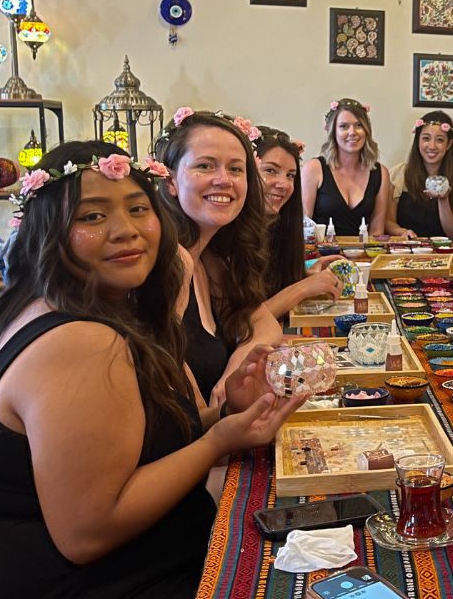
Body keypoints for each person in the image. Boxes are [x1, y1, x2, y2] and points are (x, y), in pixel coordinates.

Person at [0, 141, 305, 599]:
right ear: (47, 229)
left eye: (137, 209)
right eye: (92, 216)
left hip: (83, 591)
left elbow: (129, 451)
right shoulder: (80, 342)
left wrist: (221, 418)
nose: (126, 230)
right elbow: (88, 529)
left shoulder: (61, 305)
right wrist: (217, 444)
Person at [154, 108, 282, 405]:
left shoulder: (210, 257)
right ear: (171, 180)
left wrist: (232, 374)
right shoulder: (171, 260)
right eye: (205, 166)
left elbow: (265, 325)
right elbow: (179, 395)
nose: (224, 180)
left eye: (235, 169)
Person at [254, 127, 344, 320]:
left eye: (291, 175)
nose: (284, 184)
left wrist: (306, 274)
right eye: (270, 170)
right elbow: (244, 324)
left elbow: (269, 290)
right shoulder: (226, 235)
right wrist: (302, 287)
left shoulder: (275, 226)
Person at [301, 98, 389, 237]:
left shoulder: (380, 173)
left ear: (366, 130)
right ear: (332, 131)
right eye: (344, 126)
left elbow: (377, 230)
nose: (352, 132)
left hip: (362, 255)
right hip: (320, 254)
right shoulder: (314, 169)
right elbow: (304, 225)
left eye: (359, 125)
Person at [386, 111, 453, 239]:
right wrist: (401, 232)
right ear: (417, 140)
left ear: (449, 144)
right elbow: (388, 221)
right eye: (426, 138)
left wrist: (443, 200)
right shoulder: (399, 174)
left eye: (440, 140)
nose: (432, 146)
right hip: (405, 248)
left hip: (443, 252)